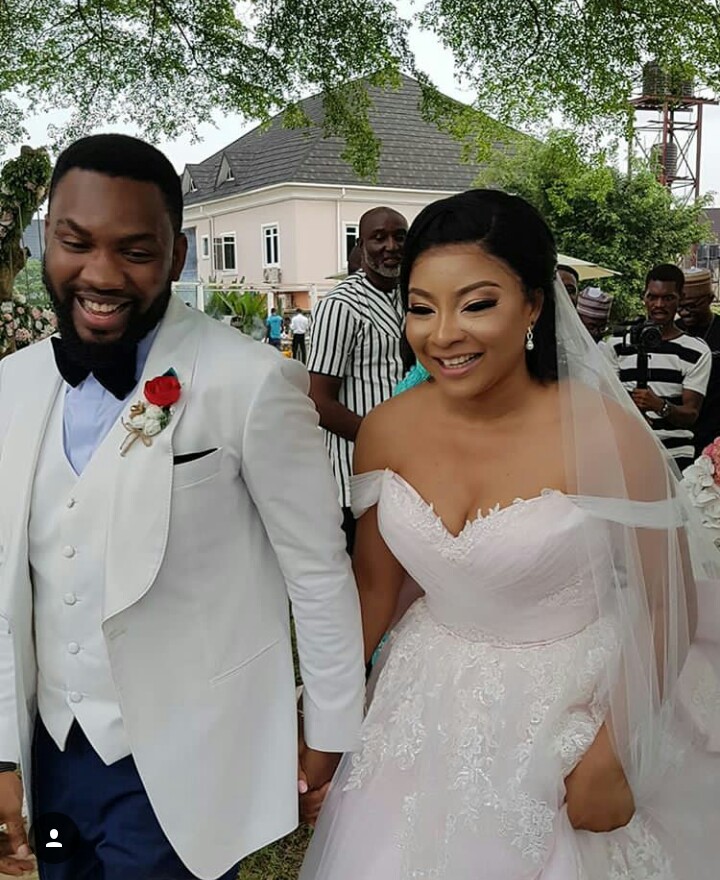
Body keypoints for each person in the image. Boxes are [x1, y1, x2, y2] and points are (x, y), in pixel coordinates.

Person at [299, 189, 720, 880]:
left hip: (570, 706)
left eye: (476, 304)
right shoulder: (386, 429)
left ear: (532, 306)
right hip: (421, 703)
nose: (443, 335)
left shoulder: (604, 434)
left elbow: (669, 601)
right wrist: (325, 725)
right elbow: (374, 588)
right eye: (422, 307)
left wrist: (612, 750)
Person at [0, 134, 365, 880]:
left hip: (187, 755)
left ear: (177, 256)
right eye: (75, 242)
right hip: (54, 751)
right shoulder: (13, 385)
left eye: (135, 251)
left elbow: (318, 570)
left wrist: (330, 730)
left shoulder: (249, 382)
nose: (101, 274)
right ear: (47, 241)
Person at [307, 207, 408, 554]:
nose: (391, 246)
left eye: (399, 237)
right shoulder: (341, 305)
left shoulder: (409, 298)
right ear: (361, 246)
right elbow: (318, 400)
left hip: (405, 473)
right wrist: (380, 441)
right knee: (362, 577)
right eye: (379, 238)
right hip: (354, 479)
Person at [606, 263, 711, 473]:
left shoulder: (696, 351)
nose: (659, 304)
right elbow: (603, 400)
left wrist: (660, 406)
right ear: (644, 297)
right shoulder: (616, 345)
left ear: (680, 298)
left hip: (675, 458)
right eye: (652, 297)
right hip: (623, 454)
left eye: (668, 298)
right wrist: (629, 407)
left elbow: (691, 414)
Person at [678, 267, 720, 458]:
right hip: (679, 431)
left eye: (691, 306)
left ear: (710, 299)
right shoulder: (671, 331)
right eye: (680, 306)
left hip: (715, 432)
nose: (684, 312)